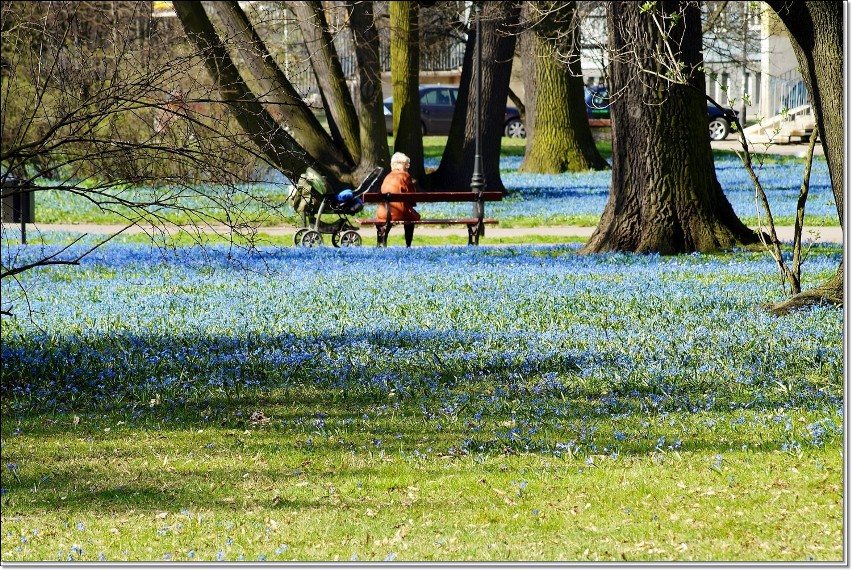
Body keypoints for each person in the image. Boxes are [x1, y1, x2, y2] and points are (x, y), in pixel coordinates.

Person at [377, 152, 421, 247]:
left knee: (407, 214)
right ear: (398, 164)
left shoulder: (388, 176)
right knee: (412, 217)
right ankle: (408, 245)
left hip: (382, 212)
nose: (407, 167)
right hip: (398, 212)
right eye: (406, 164)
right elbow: (412, 197)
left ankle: (381, 243)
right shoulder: (405, 175)